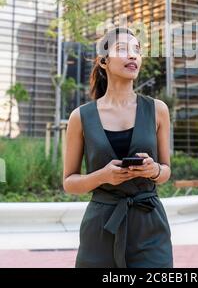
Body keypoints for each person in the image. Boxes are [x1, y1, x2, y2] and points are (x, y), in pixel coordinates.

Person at [63, 26, 174, 268]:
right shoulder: (80, 117)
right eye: (123, 49)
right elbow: (69, 182)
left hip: (149, 224)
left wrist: (153, 170)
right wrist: (103, 176)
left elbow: (166, 171)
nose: (133, 55)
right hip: (101, 226)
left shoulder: (158, 110)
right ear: (103, 61)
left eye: (137, 50)